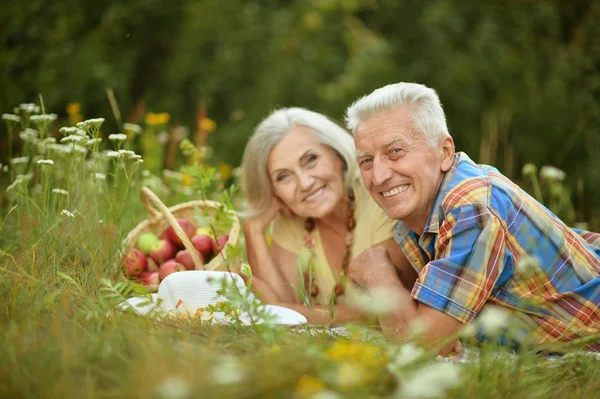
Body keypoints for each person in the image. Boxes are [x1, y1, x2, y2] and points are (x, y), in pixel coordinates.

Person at [344, 82, 600, 354]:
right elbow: (372, 303)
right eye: (367, 161)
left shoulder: (471, 207)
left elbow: (421, 349)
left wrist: (377, 273)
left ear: (443, 152)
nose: (380, 176)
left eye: (396, 151)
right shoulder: (424, 209)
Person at [240, 107, 416, 324]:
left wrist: (286, 311)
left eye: (311, 159)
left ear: (337, 156)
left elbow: (383, 313)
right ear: (274, 192)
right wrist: (253, 230)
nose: (305, 183)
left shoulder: (380, 198)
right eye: (283, 177)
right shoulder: (292, 219)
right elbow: (280, 307)